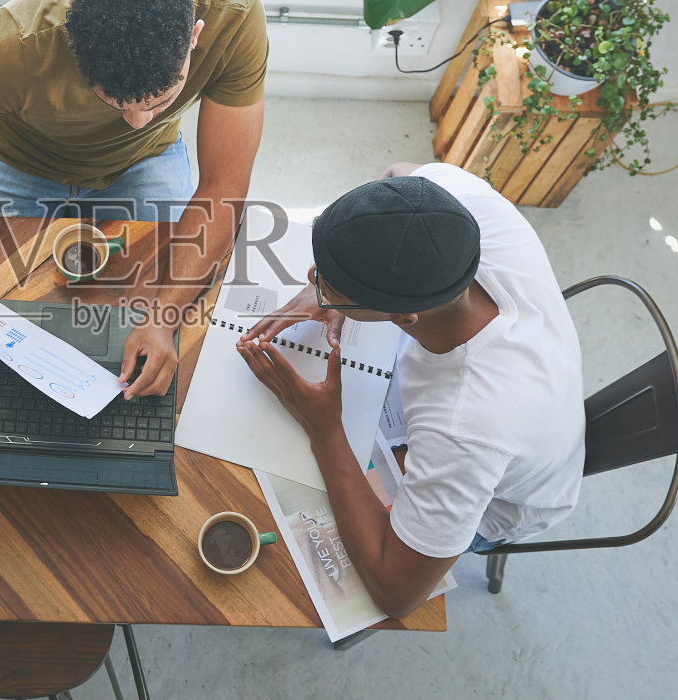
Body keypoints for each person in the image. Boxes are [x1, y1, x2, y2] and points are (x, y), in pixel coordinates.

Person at [0, 0, 267, 399]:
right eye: (113, 101)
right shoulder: (16, 44)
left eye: (161, 101)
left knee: (173, 311)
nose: (135, 121)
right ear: (75, 50)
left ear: (194, 36)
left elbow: (223, 185)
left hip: (145, 160)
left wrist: (163, 317)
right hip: (14, 160)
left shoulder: (236, 17)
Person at [235, 163, 585, 620]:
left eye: (325, 284)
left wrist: (325, 429)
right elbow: (395, 175)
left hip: (502, 502)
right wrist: (336, 291)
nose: (311, 279)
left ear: (404, 317)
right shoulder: (450, 199)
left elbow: (396, 594)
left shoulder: (464, 428)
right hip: (533, 408)